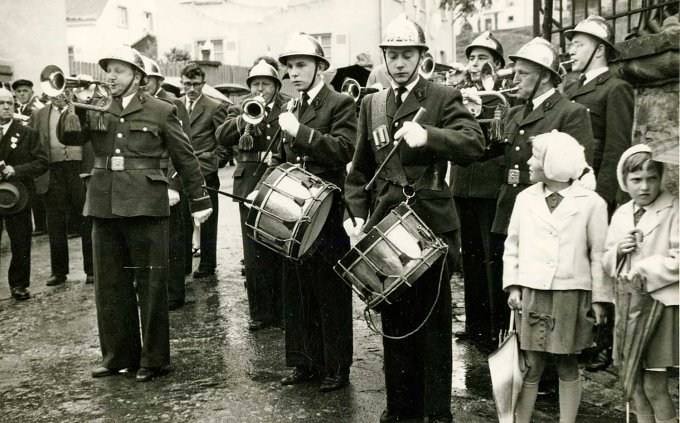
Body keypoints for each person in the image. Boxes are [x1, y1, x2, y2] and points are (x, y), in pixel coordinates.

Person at [344, 15, 485, 423]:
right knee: (395, 322)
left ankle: (436, 412)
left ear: (421, 57)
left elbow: (474, 143)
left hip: (431, 226)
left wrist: (432, 136)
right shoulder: (371, 103)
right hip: (386, 227)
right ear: (385, 59)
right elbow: (358, 172)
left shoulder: (441, 96)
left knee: (433, 325)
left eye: (408, 55)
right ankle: (401, 410)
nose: (400, 62)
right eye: (393, 55)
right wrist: (354, 215)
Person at [59, 46, 212, 382]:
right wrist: (70, 107)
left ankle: (154, 359)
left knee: (151, 285)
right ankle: (117, 356)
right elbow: (69, 136)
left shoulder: (161, 109)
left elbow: (184, 156)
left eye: (119, 70)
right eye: (108, 70)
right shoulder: (95, 106)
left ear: (138, 77)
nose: (110, 77)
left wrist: (199, 199)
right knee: (110, 285)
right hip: (104, 204)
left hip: (146, 202)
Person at [248, 33, 356, 393]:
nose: (293, 73)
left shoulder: (339, 103)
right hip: (292, 209)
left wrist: (303, 133)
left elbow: (343, 150)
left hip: (326, 209)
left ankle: (336, 366)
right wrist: (261, 187)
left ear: (320, 68)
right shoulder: (289, 108)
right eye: (289, 67)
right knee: (295, 287)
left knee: (329, 290)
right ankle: (304, 362)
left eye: (301, 66)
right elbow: (279, 157)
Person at [504, 131, 609, 423]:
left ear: (555, 164)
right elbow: (512, 245)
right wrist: (513, 285)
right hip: (533, 291)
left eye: (536, 157)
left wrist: (600, 298)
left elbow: (599, 254)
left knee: (566, 361)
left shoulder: (591, 203)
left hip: (570, 293)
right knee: (532, 363)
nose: (528, 161)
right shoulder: (525, 199)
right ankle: (519, 420)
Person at [565, 15, 635, 371]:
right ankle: (579, 335)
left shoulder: (615, 88)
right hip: (570, 191)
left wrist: (604, 198)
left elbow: (617, 150)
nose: (571, 49)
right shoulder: (571, 86)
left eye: (578, 43)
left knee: (599, 271)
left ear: (598, 49)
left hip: (597, 195)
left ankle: (602, 343)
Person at [602, 145, 678, 423]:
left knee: (654, 387)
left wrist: (645, 270)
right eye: (636, 180)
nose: (644, 187)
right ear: (625, 180)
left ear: (661, 177)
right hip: (628, 308)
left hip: (659, 307)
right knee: (633, 385)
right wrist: (619, 251)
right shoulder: (622, 213)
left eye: (651, 178)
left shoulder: (673, 208)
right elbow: (608, 263)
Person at [450, 31, 510, 349]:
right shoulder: (460, 94)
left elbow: (500, 141)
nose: (475, 64)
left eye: (483, 58)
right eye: (472, 58)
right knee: (470, 259)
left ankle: (493, 330)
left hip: (489, 186)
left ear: (497, 64)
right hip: (463, 185)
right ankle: (474, 326)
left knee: (491, 260)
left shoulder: (504, 96)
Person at [216, 56, 285, 330]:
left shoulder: (288, 106)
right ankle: (260, 313)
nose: (260, 89)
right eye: (256, 84)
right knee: (253, 250)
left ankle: (281, 313)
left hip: (276, 179)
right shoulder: (239, 107)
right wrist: (243, 118)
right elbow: (221, 137)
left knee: (278, 246)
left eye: (266, 84)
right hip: (247, 183)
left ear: (276, 86)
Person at [141, 54, 193, 310]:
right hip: (144, 181)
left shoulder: (172, 104)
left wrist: (173, 184)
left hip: (167, 177)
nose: (145, 83)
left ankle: (174, 293)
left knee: (172, 240)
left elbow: (181, 148)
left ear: (158, 80)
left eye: (149, 79)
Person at [31, 92, 94, 286]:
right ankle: (58, 272)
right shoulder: (39, 114)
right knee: (55, 223)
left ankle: (91, 270)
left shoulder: (81, 109)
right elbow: (35, 144)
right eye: (55, 92)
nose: (60, 95)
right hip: (52, 171)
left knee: (86, 219)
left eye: (64, 91)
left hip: (78, 170)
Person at [180, 63, 228, 279]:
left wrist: (211, 162)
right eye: (187, 84)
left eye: (196, 84)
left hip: (204, 173)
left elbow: (224, 143)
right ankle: (183, 264)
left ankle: (208, 264)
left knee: (207, 220)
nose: (191, 89)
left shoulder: (214, 107)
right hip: (179, 173)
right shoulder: (174, 105)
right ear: (182, 83)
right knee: (181, 220)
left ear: (203, 84)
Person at [0, 87, 48, 300]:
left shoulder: (27, 133)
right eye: (1, 103)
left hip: (17, 197)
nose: (7, 107)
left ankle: (19, 284)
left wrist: (16, 170)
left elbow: (42, 162)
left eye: (9, 103)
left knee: (20, 241)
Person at [12, 79, 47, 235]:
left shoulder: (36, 107)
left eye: (25, 91)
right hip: (18, 154)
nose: (22, 94)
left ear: (32, 93)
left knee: (36, 190)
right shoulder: (15, 108)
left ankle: (40, 225)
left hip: (32, 152)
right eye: (19, 91)